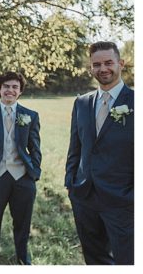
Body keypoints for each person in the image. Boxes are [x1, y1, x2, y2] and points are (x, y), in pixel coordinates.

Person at [66, 41, 134, 265]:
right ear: (90, 68)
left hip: (123, 200)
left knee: (128, 261)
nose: (103, 68)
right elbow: (75, 147)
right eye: (97, 64)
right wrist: (71, 183)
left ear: (120, 63)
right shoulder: (82, 103)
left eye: (108, 62)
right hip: (84, 196)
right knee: (94, 259)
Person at [0, 71, 41, 265]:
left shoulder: (30, 115)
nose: (10, 90)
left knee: (22, 222)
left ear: (20, 92)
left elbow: (35, 148)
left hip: (23, 177)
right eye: (6, 86)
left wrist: (34, 173)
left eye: (14, 87)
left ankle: (23, 258)